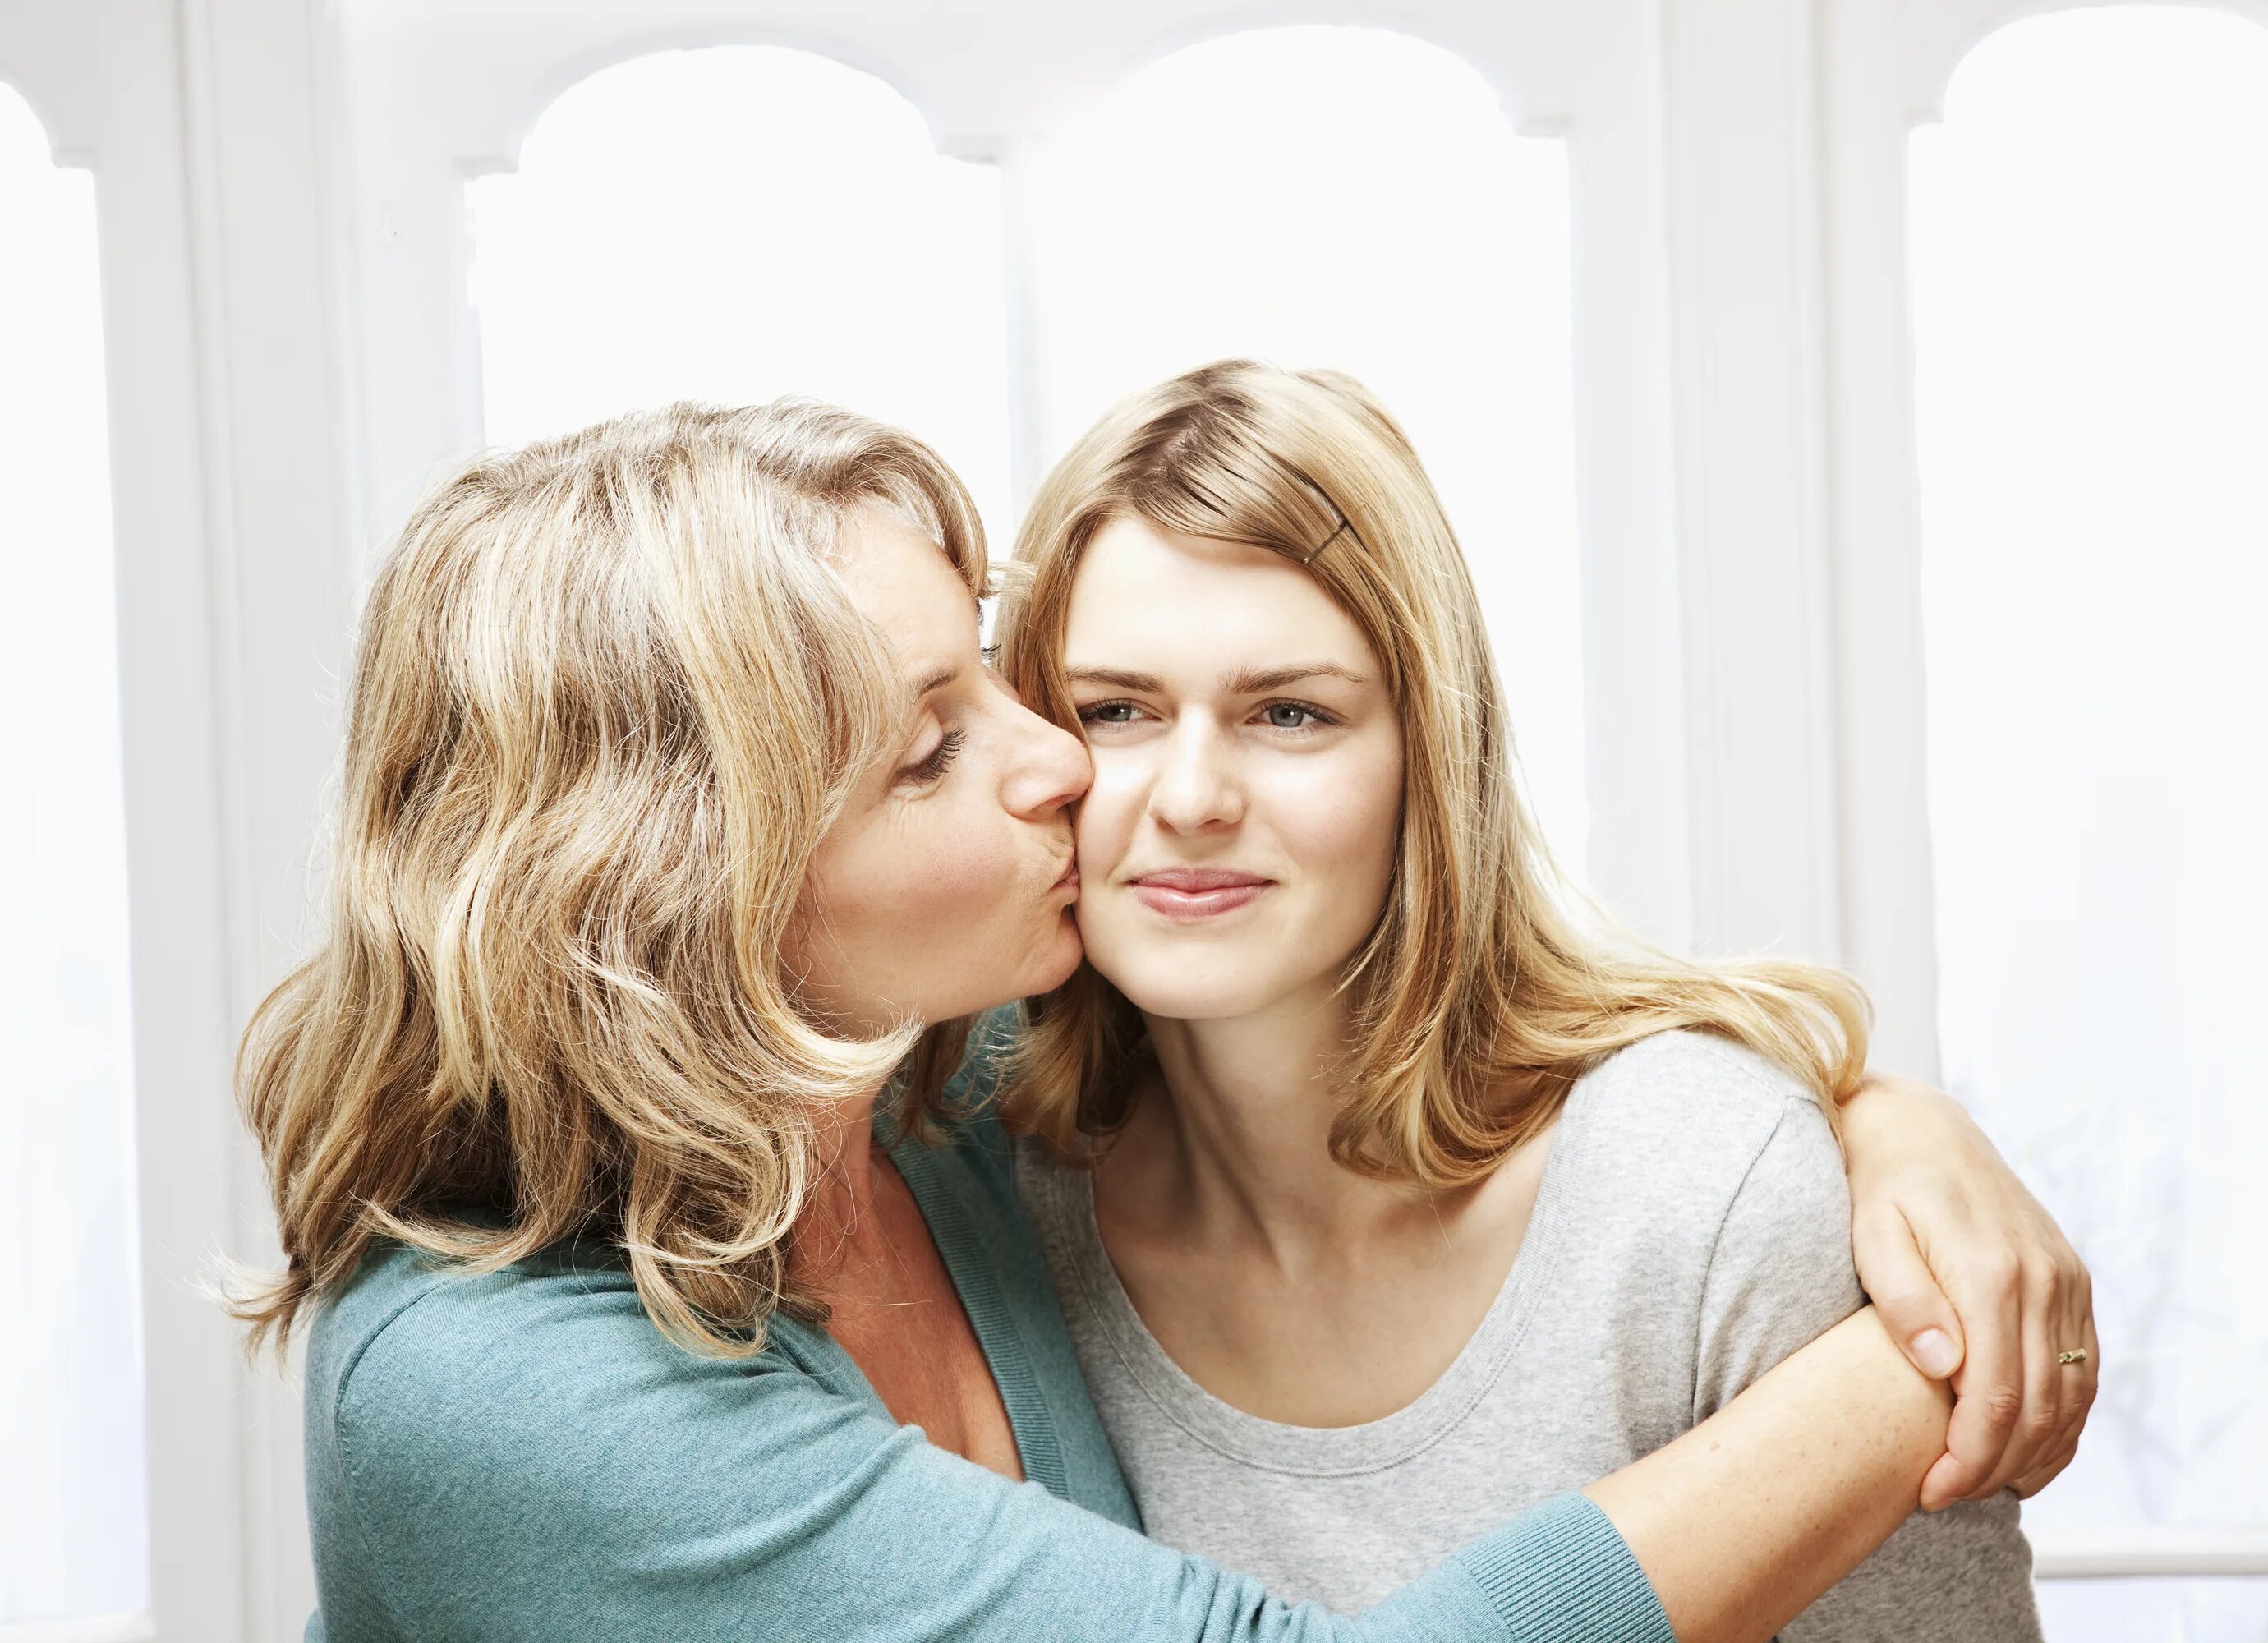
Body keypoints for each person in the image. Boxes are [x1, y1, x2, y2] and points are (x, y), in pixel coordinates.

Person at [236, 399, 2082, 1643]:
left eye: (1002, 664)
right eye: (940, 740)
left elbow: (1481, 1021)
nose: (1074, 768)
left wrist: (1884, 1121)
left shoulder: (933, 1099)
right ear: (695, 893)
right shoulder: (499, 1388)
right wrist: (1904, 1376)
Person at [995, 361, 2088, 1635]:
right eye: (1114, 709)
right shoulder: (985, 1199)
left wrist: (1873, 1119)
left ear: (1431, 757)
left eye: (1289, 713)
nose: (1190, 799)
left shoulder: (1708, 1203)